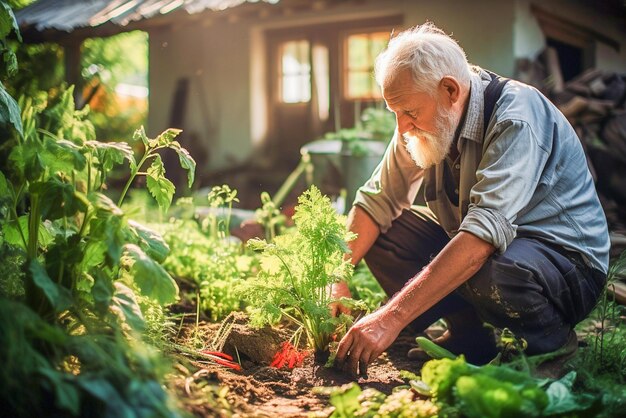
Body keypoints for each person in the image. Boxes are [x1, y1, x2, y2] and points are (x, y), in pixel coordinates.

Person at [331, 22, 610, 378]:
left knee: (489, 265)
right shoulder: (424, 116)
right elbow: (376, 200)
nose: (401, 128)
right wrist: (335, 276)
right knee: (387, 234)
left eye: (410, 113)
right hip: (497, 251)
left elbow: (481, 238)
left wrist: (391, 318)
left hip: (568, 267)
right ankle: (471, 336)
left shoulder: (516, 118)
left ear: (449, 90)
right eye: (395, 113)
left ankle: (548, 348)